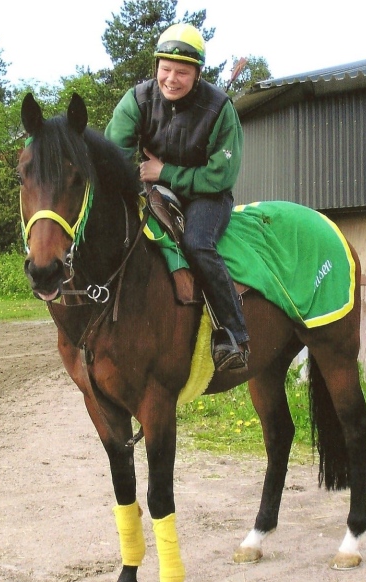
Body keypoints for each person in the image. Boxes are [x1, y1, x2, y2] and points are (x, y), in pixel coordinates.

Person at [105, 23, 249, 372]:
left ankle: (233, 336)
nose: (171, 79)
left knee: (198, 244)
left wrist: (164, 172)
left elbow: (220, 176)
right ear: (156, 67)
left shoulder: (220, 109)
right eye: (165, 69)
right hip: (153, 190)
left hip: (207, 197)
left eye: (182, 72)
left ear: (198, 73)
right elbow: (113, 158)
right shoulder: (136, 101)